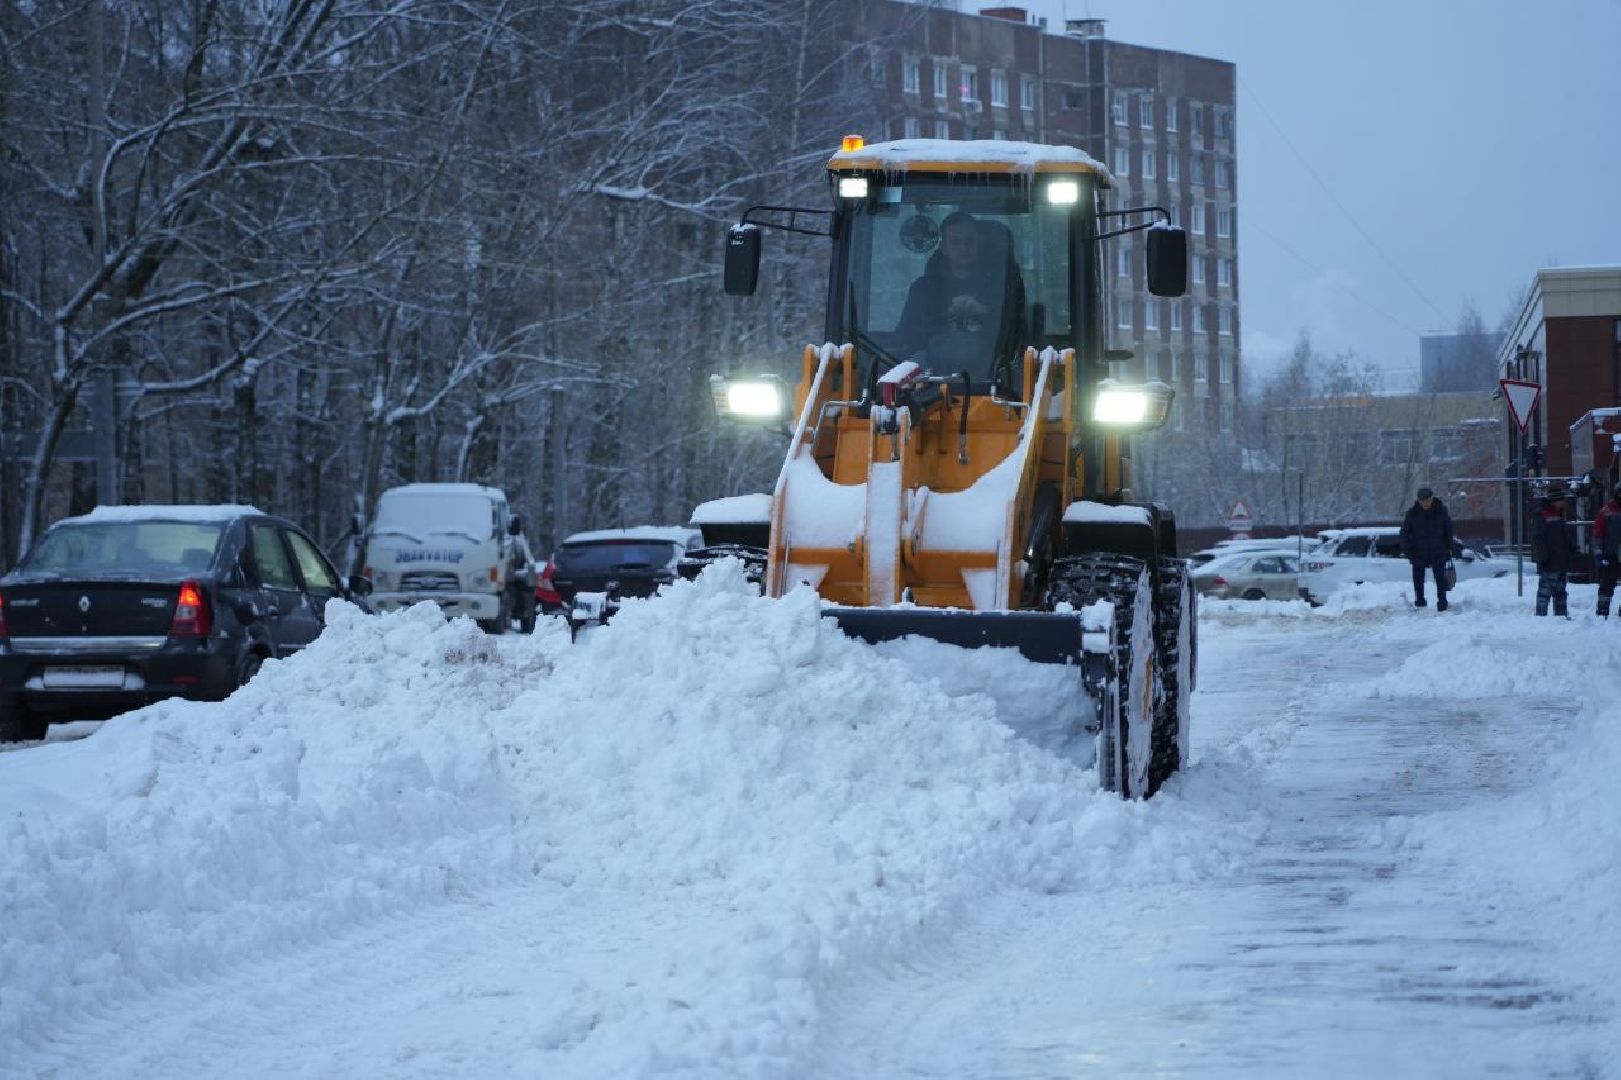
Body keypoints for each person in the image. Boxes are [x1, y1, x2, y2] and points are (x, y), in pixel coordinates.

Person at [894, 212, 1023, 372]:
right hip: (930, 379)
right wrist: (944, 315)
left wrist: (983, 313)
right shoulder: (923, 289)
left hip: (995, 378)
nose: (963, 248)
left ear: (979, 244)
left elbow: (1016, 335)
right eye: (955, 241)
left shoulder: (1003, 287)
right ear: (944, 248)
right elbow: (906, 338)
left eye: (970, 241)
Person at [1400, 485, 1453, 610]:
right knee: (1418, 579)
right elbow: (1405, 533)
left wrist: (1449, 547)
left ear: (1432, 499)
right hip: (1418, 552)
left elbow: (1448, 530)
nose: (1425, 503)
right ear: (1419, 501)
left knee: (1440, 578)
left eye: (1427, 500)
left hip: (1438, 550)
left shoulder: (1441, 511)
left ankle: (1442, 602)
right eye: (1422, 501)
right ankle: (1420, 601)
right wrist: (1408, 551)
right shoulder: (1412, 513)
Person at [1529, 486, 1574, 617]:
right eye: (1562, 500)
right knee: (1545, 591)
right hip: (1549, 561)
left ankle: (1561, 616)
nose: (1564, 503)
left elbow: (1563, 535)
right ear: (1555, 500)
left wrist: (1572, 547)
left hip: (1560, 560)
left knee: (1561, 591)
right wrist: (1543, 558)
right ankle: (1541, 617)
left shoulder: (1558, 514)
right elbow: (1538, 538)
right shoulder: (1542, 514)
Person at [1595, 483, 1621, 618]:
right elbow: (1598, 534)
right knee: (1606, 584)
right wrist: (1599, 553)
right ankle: (1602, 612)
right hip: (1610, 554)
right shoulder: (1606, 512)